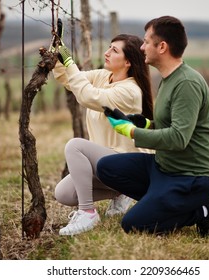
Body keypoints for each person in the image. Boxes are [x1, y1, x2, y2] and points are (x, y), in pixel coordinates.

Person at [96, 16, 209, 236]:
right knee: (106, 168)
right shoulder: (168, 78)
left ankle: (203, 210)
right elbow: (169, 124)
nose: (142, 47)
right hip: (164, 167)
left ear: (162, 47)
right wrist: (144, 123)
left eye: (146, 42)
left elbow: (178, 138)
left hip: (191, 177)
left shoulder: (187, 83)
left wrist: (133, 132)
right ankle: (160, 201)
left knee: (133, 225)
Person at [52, 32, 154, 236]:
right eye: (109, 47)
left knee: (75, 145)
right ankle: (121, 191)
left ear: (128, 62)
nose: (107, 52)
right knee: (63, 193)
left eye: (114, 50)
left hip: (129, 163)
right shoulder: (103, 76)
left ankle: (87, 212)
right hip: (106, 162)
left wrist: (70, 60)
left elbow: (88, 96)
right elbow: (71, 79)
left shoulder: (130, 91)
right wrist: (56, 53)